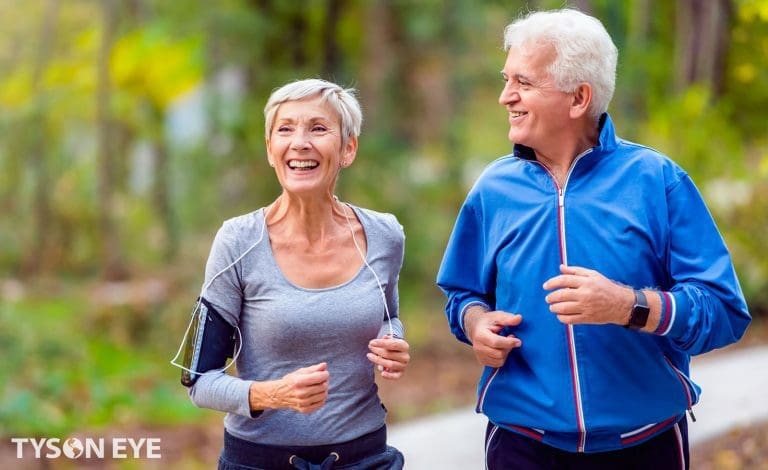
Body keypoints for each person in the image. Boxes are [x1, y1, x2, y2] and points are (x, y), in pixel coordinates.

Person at [436, 8, 751, 470]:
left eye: (523, 82)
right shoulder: (493, 189)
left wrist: (628, 306)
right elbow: (462, 294)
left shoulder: (657, 181)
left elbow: (723, 311)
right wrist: (474, 323)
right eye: (507, 80)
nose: (506, 96)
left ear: (578, 97)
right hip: (521, 445)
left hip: (646, 445)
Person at [173, 78, 409, 469]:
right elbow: (199, 381)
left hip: (365, 458)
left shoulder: (384, 235)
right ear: (270, 149)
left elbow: (389, 316)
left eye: (318, 128)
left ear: (348, 148)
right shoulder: (238, 242)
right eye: (285, 129)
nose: (300, 142)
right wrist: (273, 394)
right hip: (259, 461)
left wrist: (392, 342)